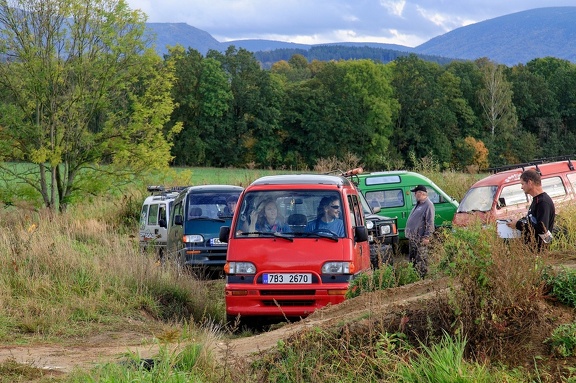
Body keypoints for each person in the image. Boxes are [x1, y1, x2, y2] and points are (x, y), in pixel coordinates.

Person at [506, 169, 555, 251]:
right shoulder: (536, 200)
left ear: (530, 182)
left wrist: (518, 224)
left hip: (539, 251)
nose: (521, 187)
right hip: (531, 249)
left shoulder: (543, 202)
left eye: (522, 184)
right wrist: (519, 221)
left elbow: (542, 229)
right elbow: (533, 222)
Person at [405, 185, 435, 278]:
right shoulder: (419, 204)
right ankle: (414, 278)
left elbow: (430, 222)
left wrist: (427, 237)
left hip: (420, 238)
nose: (414, 195)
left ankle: (422, 279)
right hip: (413, 237)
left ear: (422, 193)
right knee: (413, 260)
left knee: (421, 260)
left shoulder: (428, 205)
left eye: (416, 193)